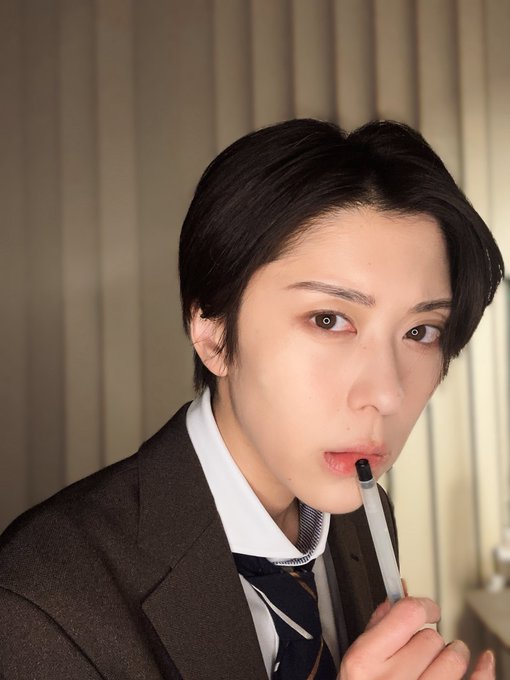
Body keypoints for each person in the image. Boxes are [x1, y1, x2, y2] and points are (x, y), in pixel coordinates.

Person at [0, 118, 504, 680]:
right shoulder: (40, 605)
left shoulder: (364, 517)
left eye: (420, 332)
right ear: (213, 334)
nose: (386, 393)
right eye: (329, 319)